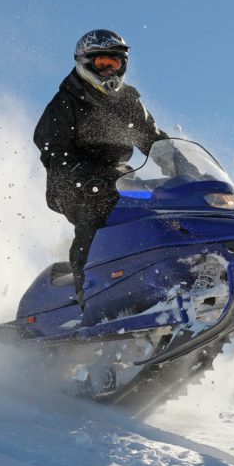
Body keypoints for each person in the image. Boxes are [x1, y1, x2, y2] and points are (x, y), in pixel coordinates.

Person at [34, 29, 167, 307]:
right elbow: (52, 150)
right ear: (85, 63)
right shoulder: (65, 102)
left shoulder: (128, 101)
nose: (109, 71)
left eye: (115, 64)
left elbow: (153, 139)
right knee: (94, 215)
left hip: (118, 177)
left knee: (160, 208)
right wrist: (81, 177)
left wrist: (182, 164)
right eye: (102, 64)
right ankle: (88, 298)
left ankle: (160, 280)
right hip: (69, 182)